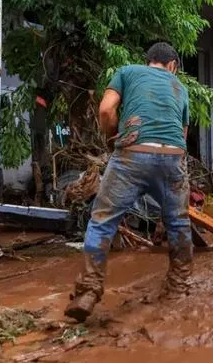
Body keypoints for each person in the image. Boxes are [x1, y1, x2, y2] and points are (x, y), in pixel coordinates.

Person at [64, 42, 193, 321]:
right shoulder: (180, 88)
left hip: (132, 154)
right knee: (179, 222)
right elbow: (182, 136)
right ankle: (179, 288)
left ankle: (88, 290)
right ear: (173, 66)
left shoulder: (126, 72)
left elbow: (106, 111)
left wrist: (112, 138)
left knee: (102, 221)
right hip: (172, 157)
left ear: (149, 61)